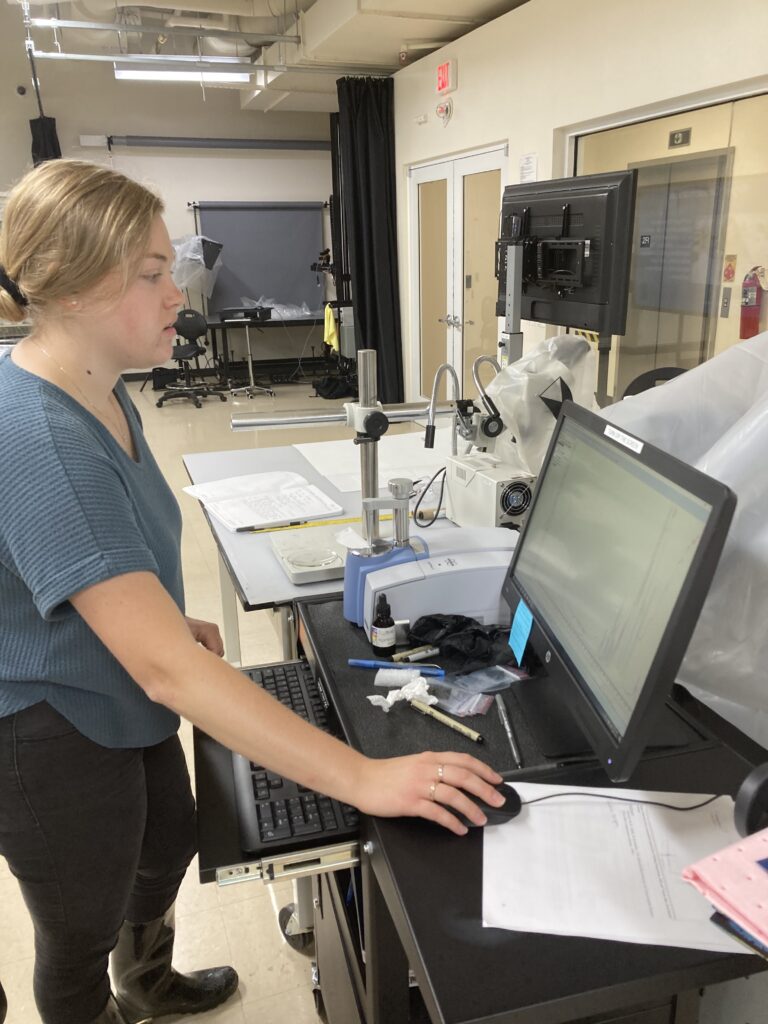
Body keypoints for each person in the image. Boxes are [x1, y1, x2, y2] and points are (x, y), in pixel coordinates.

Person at [0, 159, 505, 1024]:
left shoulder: (98, 388)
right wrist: (362, 779)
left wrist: (162, 618)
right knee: (79, 923)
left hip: (110, 683)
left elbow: (100, 563)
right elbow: (171, 676)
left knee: (164, 851)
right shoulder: (40, 434)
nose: (178, 297)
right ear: (72, 290)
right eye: (154, 276)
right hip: (48, 726)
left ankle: (148, 981)